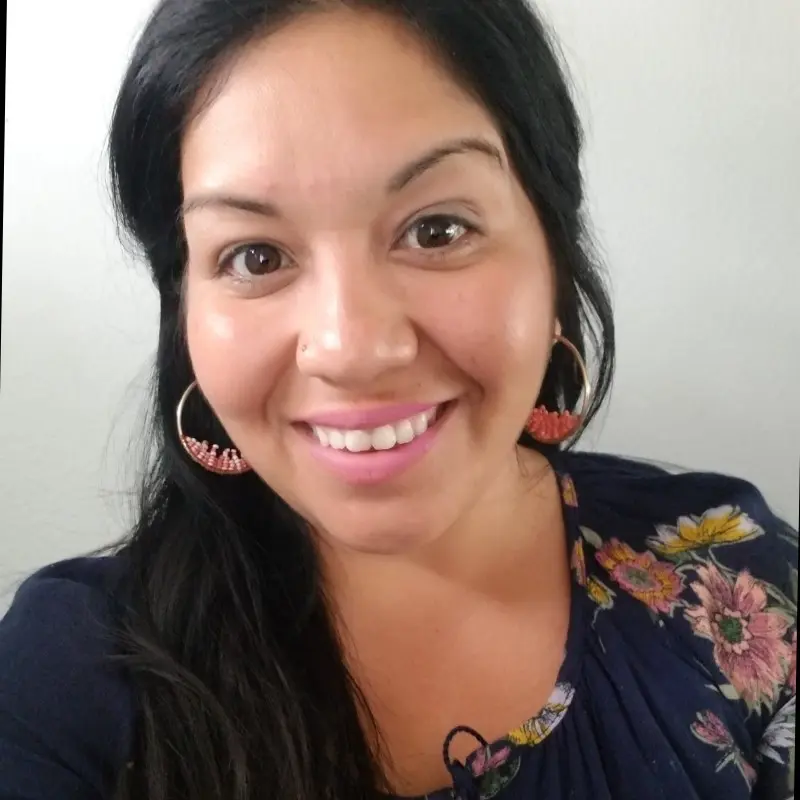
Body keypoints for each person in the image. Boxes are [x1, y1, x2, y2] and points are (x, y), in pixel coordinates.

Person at [0, 1, 796, 798]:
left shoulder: (743, 588)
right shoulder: (67, 674)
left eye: (438, 230)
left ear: (554, 259)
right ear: (186, 311)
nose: (352, 348)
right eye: (254, 255)